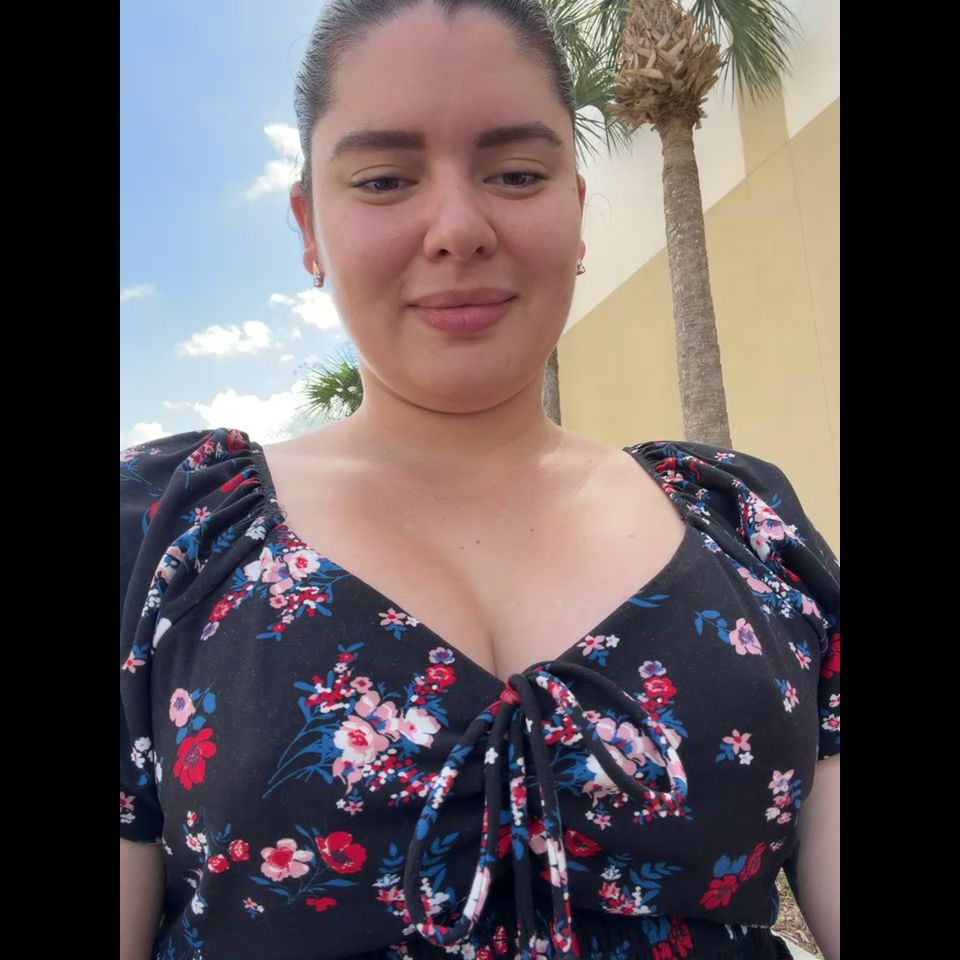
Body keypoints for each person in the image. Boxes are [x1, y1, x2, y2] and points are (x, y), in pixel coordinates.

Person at [119, 2, 840, 959]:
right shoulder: (170, 535)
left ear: (576, 209)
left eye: (516, 174)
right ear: (308, 227)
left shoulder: (745, 527)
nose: (458, 228)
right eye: (384, 180)